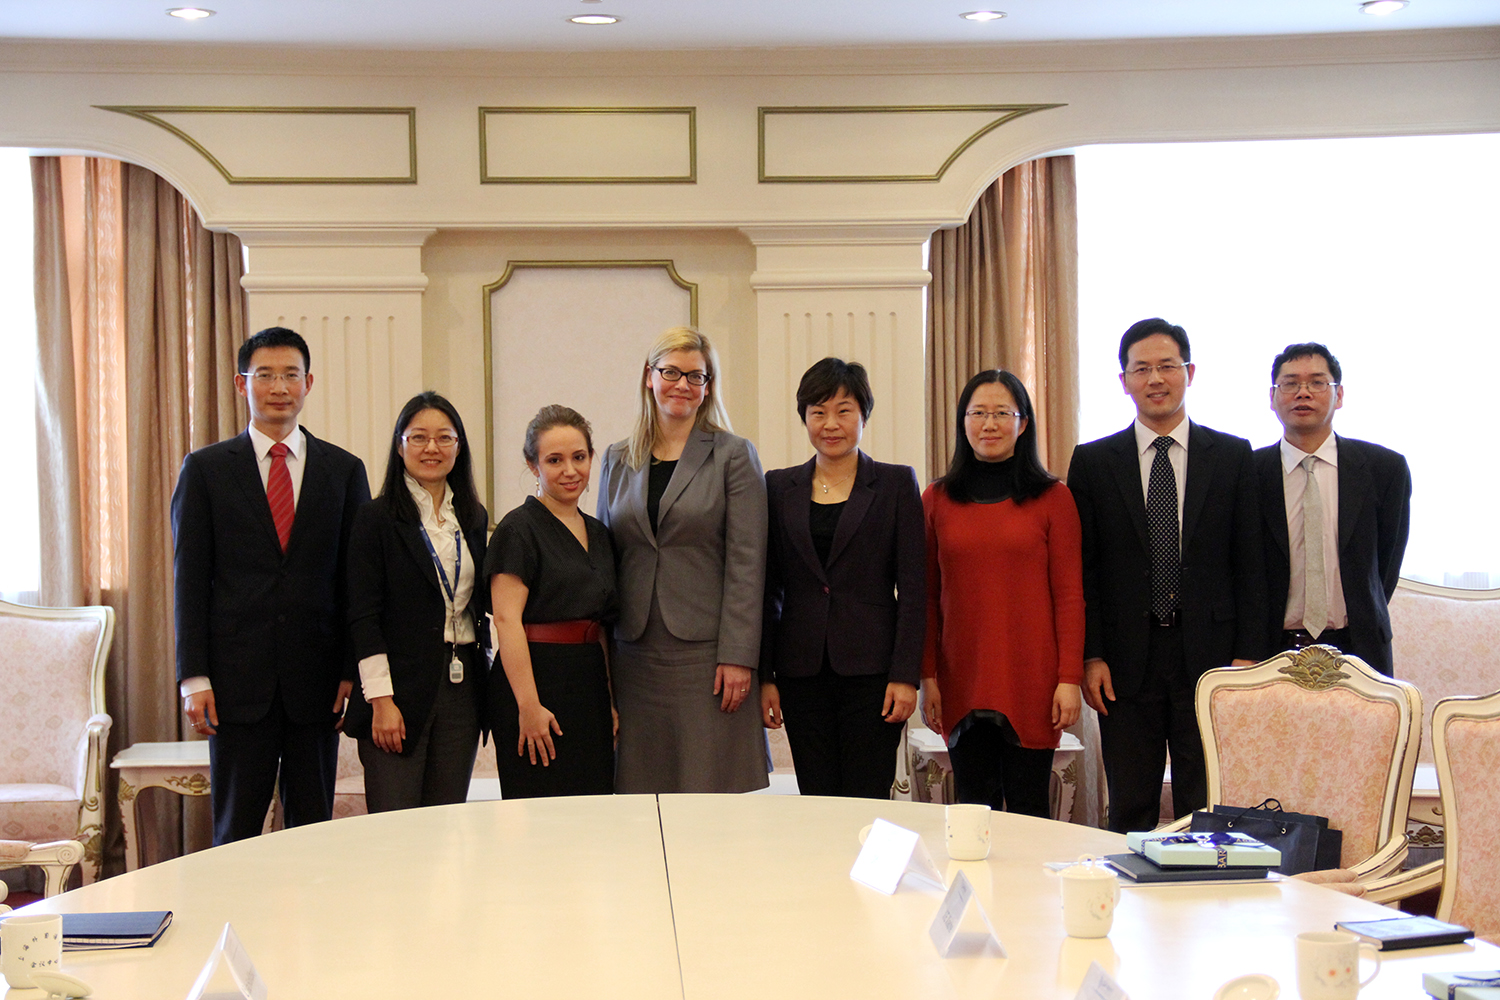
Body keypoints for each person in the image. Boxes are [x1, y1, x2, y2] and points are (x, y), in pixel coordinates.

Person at [1067, 318, 1266, 833]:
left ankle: (1202, 886)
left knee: (1207, 807)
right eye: (1142, 369)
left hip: (1212, 656)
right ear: (1124, 381)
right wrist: (1091, 654)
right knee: (1130, 805)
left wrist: (1247, 655)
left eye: (1167, 366)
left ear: (1189, 373)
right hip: (1124, 661)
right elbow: (1083, 569)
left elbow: (1251, 563)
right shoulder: (1093, 462)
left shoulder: (1232, 457)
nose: (1155, 379)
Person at [173, 326, 370, 845]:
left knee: (312, 832)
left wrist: (350, 668)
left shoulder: (344, 471)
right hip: (235, 684)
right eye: (265, 375)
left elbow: (356, 581)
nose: (279, 387)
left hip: (318, 684)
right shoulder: (206, 470)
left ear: (309, 383)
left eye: (290, 375)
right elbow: (189, 580)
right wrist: (194, 676)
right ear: (243, 384)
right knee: (235, 832)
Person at [597, 327, 769, 793]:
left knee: (707, 785)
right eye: (670, 372)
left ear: (708, 386)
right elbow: (604, 559)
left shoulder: (733, 455)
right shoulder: (616, 458)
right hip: (634, 654)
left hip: (707, 657)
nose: (682, 384)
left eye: (696, 376)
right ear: (648, 377)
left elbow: (748, 563)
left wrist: (738, 656)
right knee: (641, 790)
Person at [919, 370, 1084, 817]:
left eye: (1001, 413)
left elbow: (1070, 596)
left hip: (1032, 677)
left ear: (1023, 423)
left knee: (1031, 811)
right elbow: (926, 598)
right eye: (978, 413)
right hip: (960, 676)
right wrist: (927, 676)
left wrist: (1069, 678)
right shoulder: (936, 499)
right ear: (963, 422)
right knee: (972, 812)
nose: (989, 424)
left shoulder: (1054, 499)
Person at [760, 358, 924, 799]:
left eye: (843, 411)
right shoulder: (778, 487)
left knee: (867, 796)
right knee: (816, 797)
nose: (830, 424)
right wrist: (765, 676)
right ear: (805, 418)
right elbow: (768, 589)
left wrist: (906, 675)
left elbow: (914, 589)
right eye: (818, 412)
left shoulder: (895, 484)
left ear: (863, 415)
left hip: (874, 673)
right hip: (800, 671)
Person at [342, 392, 489, 812]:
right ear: (400, 445)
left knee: (446, 823)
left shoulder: (473, 517)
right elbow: (363, 616)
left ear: (459, 447)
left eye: (444, 437)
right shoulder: (375, 518)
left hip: (462, 688)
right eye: (419, 437)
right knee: (396, 827)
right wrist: (381, 700)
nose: (432, 448)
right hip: (398, 691)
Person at [486, 405, 618, 797]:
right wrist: (528, 706)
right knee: (538, 810)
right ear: (533, 465)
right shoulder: (517, 529)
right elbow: (507, 621)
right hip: (536, 682)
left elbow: (601, 624)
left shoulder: (600, 533)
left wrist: (610, 700)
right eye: (555, 460)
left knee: (593, 808)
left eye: (579, 457)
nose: (570, 470)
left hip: (588, 683)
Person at [1256, 342, 1411, 676]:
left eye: (1317, 382)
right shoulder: (1249, 473)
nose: (1303, 392)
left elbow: (1385, 565)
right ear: (1272, 397)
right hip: (1269, 649)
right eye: (1290, 383)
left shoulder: (1384, 469)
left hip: (1360, 648)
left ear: (1339, 395)